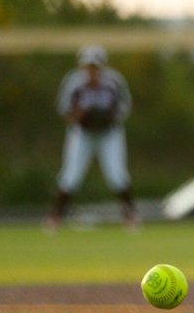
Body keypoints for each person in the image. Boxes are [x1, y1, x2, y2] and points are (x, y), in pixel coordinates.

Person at [44, 45, 137, 231]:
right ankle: (55, 217)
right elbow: (64, 109)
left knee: (117, 175)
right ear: (82, 66)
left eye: (95, 66)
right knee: (70, 176)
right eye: (88, 66)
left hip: (109, 133)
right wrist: (79, 116)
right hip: (82, 133)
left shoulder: (113, 81)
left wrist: (108, 116)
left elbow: (125, 106)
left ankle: (131, 216)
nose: (92, 70)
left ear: (102, 66)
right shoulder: (74, 82)